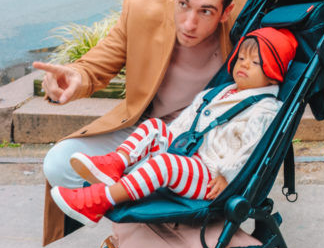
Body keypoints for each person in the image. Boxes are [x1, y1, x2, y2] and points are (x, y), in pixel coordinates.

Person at [33, 0, 250, 245]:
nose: (189, 23)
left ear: (225, 12)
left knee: (153, 177)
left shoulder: (247, 15)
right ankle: (137, 236)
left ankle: (143, 240)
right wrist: (72, 77)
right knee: (59, 163)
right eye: (183, 4)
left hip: (203, 144)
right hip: (144, 130)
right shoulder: (141, 10)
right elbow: (94, 65)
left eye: (206, 11)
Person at [50, 27, 297, 227]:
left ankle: (99, 201)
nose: (243, 64)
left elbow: (252, 149)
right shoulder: (222, 91)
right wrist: (169, 141)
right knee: (155, 126)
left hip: (213, 176)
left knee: (164, 165)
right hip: (192, 152)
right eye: (241, 57)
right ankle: (116, 163)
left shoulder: (265, 109)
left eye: (255, 62)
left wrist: (230, 175)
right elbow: (188, 119)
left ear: (274, 72)